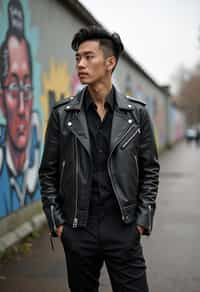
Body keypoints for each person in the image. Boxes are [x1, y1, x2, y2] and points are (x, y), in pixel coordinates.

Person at [39, 25, 160, 292]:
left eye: (88, 57)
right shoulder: (63, 115)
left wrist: (141, 221)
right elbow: (47, 172)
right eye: (77, 58)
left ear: (110, 62)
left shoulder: (137, 115)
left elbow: (150, 169)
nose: (80, 64)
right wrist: (58, 223)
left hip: (124, 228)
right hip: (78, 229)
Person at [0, 0, 40, 216]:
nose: (23, 108)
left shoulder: (39, 169)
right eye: (14, 87)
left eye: (26, 87)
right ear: (2, 102)